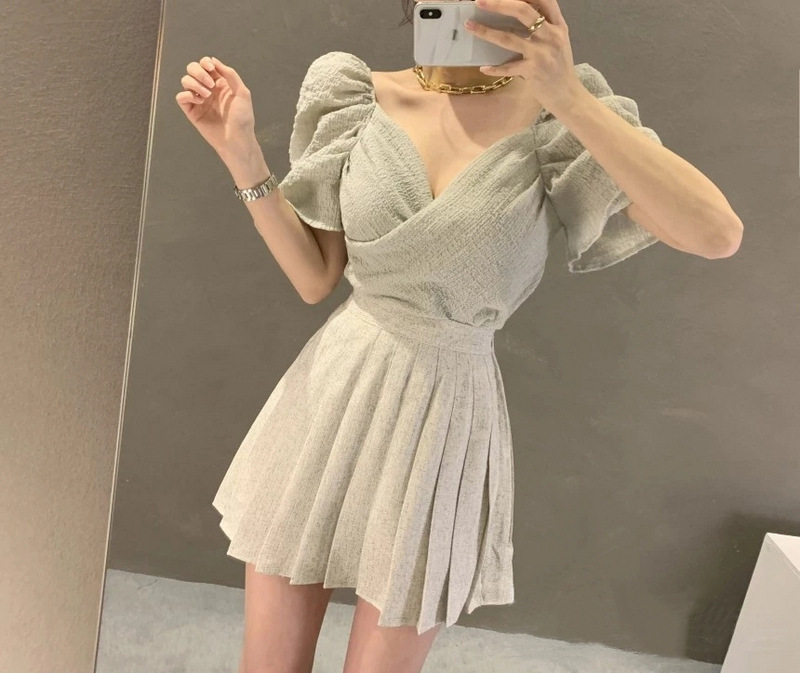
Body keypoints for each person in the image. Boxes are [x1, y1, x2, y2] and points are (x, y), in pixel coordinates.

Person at [176, 1, 742, 671]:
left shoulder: (557, 121)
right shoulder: (355, 95)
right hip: (331, 394)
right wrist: (240, 152)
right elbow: (314, 277)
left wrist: (569, 97)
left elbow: (716, 232)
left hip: (443, 424)